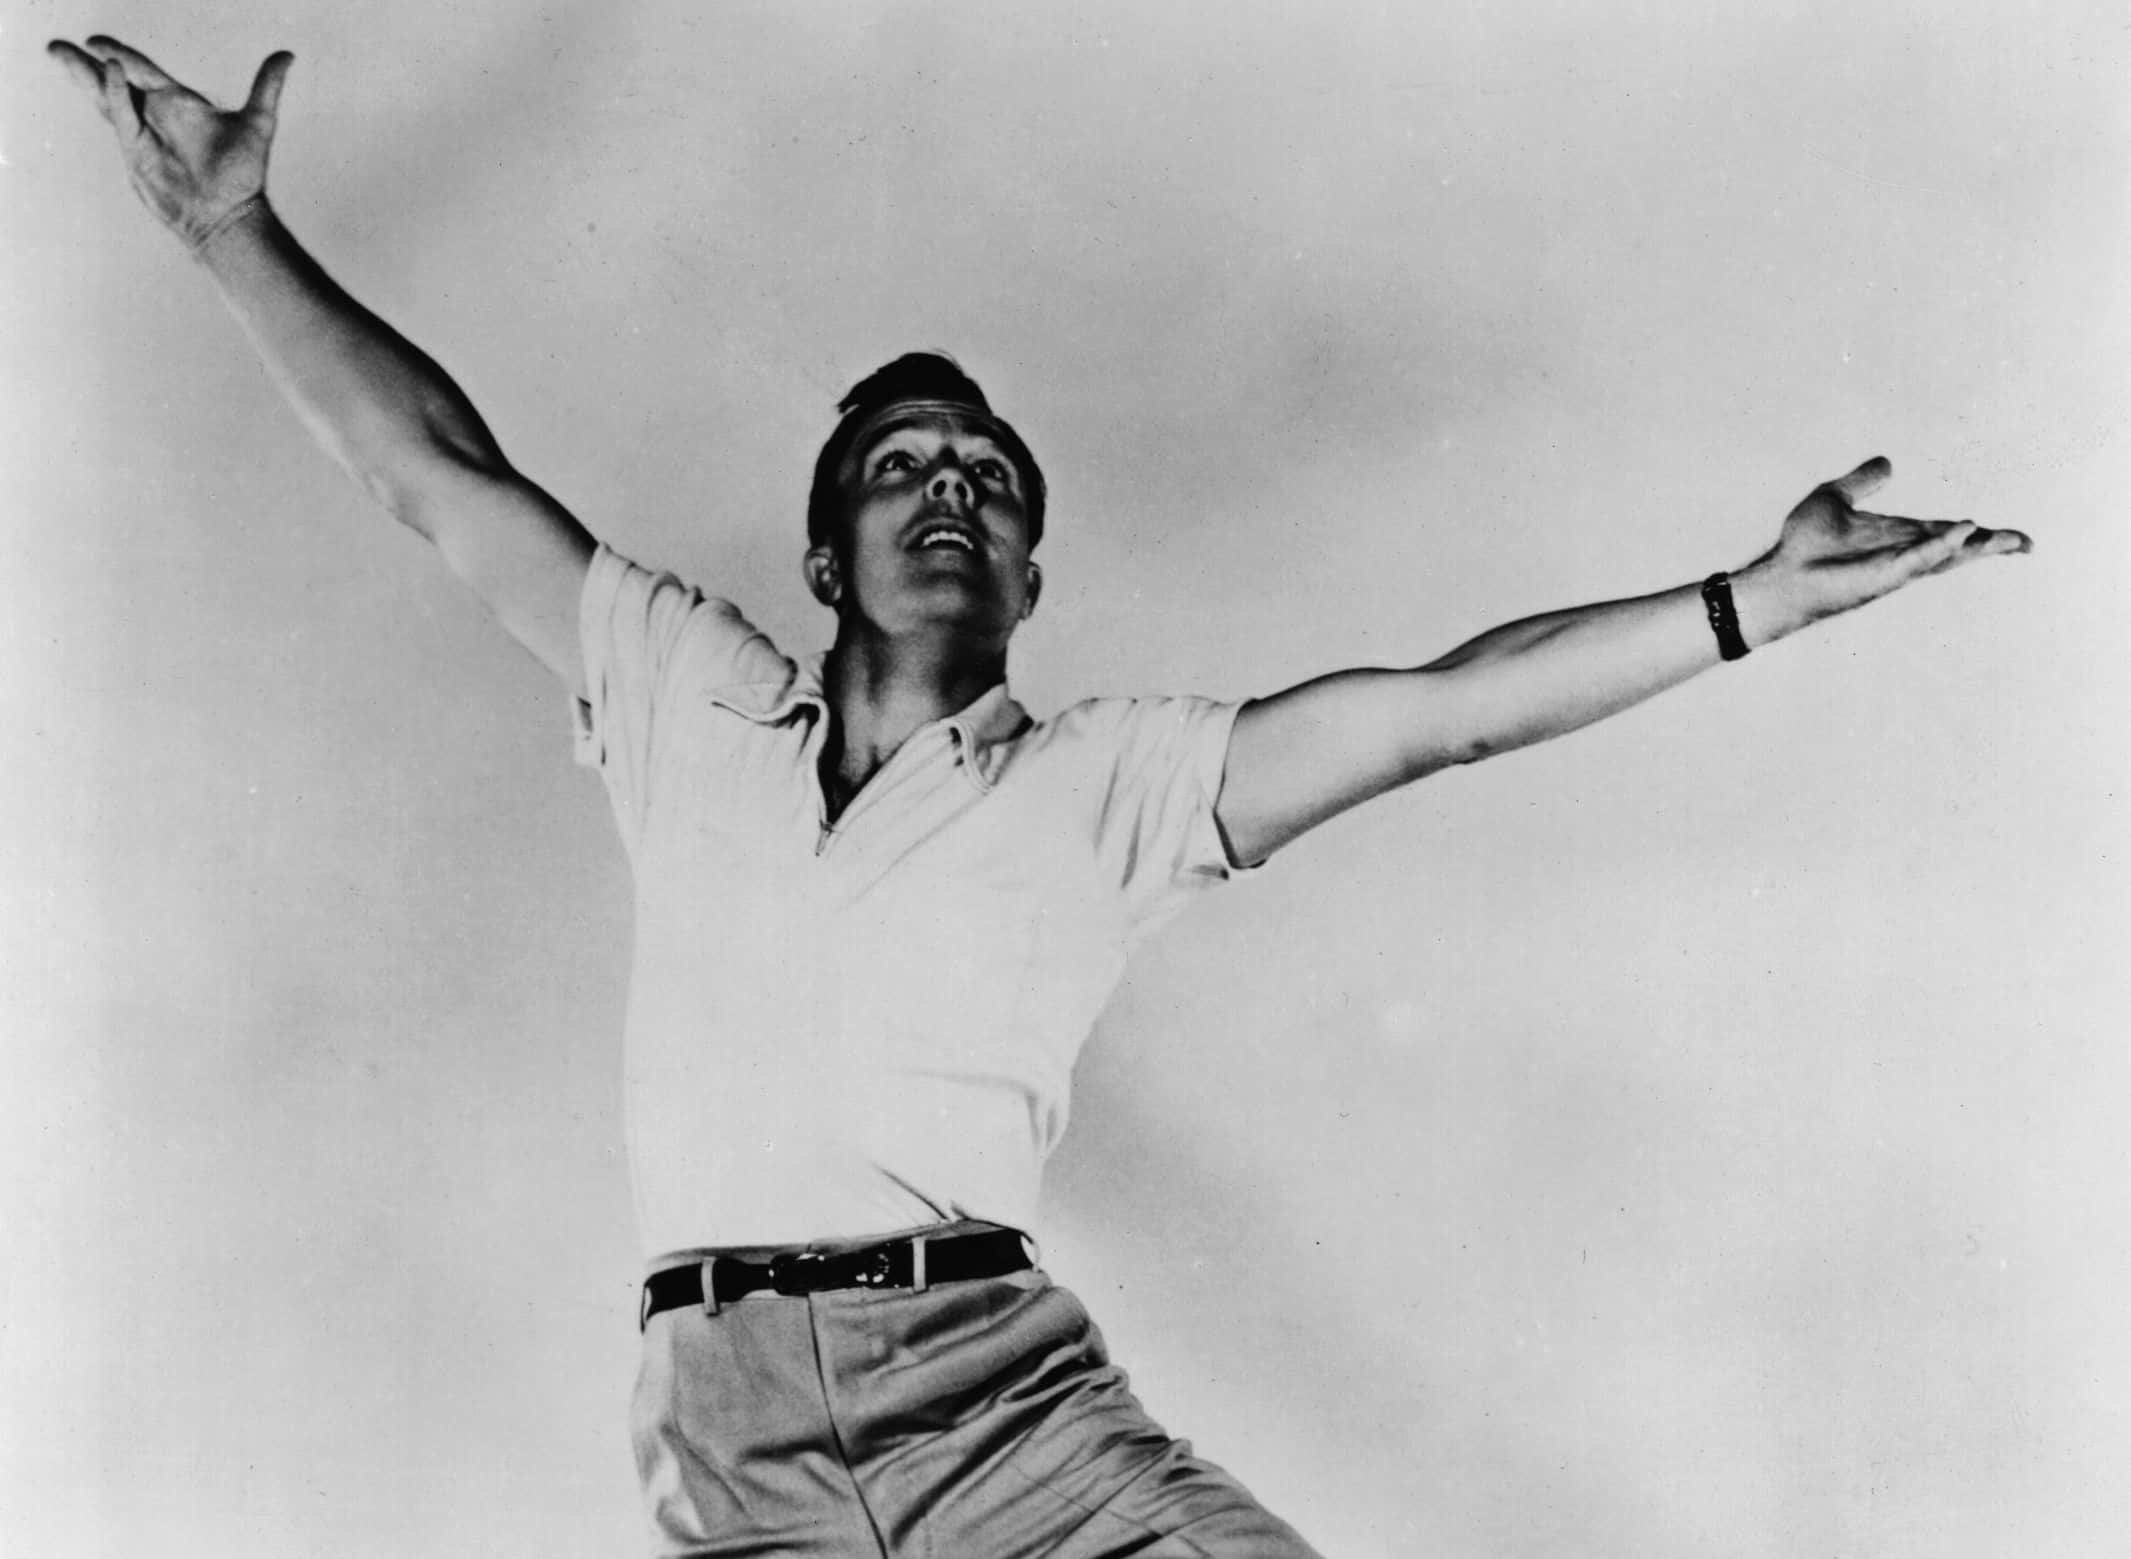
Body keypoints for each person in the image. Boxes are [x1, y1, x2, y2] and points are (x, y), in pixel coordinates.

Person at [49, 34, 2032, 1559]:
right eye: (906, 470)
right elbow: (436, 473)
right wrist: (235, 233)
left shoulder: (1113, 784)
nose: (947, 494)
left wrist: (1740, 605)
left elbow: (1439, 713)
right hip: (724, 1430)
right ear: (824, 557)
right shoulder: (677, 690)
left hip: (1000, 1401)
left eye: (988, 484)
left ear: (1026, 580)